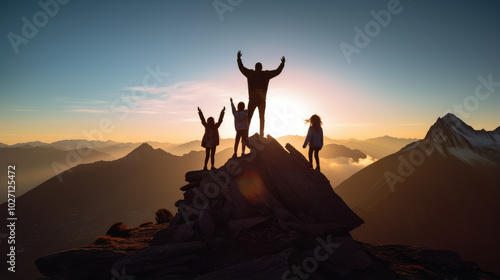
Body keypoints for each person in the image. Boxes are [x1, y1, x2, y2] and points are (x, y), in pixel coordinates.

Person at [237, 50, 285, 136]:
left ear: (256, 67)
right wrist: (282, 64)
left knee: (252, 117)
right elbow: (277, 71)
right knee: (260, 117)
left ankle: (252, 133)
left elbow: (241, 68)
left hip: (255, 100)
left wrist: (239, 58)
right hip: (258, 100)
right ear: (260, 67)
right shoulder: (264, 74)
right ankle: (259, 134)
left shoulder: (252, 73)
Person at [198, 106, 225, 170]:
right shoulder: (216, 126)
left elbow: (202, 120)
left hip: (207, 143)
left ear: (208, 121)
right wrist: (222, 112)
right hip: (214, 143)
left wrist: (200, 112)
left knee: (207, 156)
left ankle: (205, 166)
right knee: (212, 155)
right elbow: (220, 120)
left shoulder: (207, 126)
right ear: (213, 121)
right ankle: (212, 166)